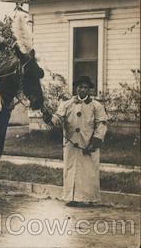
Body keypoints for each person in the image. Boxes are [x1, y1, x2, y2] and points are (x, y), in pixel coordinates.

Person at [52, 75, 108, 206]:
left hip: (88, 143)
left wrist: (95, 142)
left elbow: (102, 124)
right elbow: (58, 116)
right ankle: (71, 197)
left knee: (88, 170)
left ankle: (88, 198)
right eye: (80, 87)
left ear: (90, 90)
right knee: (71, 169)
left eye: (85, 87)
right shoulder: (67, 104)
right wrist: (54, 120)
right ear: (76, 89)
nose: (82, 90)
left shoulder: (96, 106)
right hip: (71, 143)